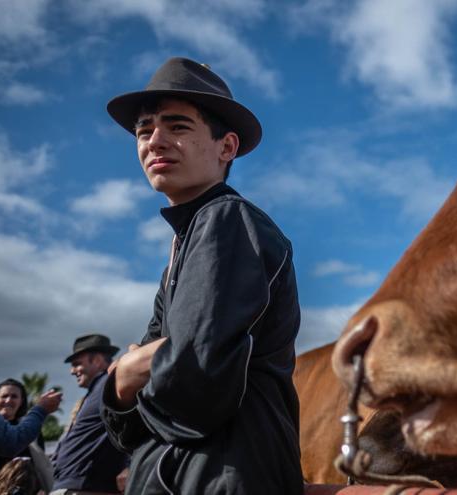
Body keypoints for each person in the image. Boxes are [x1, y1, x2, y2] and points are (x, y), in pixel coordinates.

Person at [100, 57, 303, 494]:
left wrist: (131, 371)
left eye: (177, 127)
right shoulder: (182, 245)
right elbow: (127, 426)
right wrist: (121, 379)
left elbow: (195, 379)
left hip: (219, 477)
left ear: (226, 148)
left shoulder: (227, 220)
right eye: (143, 130)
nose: (154, 141)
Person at [50, 334, 128, 494]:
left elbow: (139, 421)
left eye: (77, 364)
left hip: (85, 487)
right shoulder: (99, 389)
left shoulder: (109, 383)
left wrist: (131, 465)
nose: (72, 371)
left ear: (97, 360)